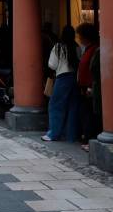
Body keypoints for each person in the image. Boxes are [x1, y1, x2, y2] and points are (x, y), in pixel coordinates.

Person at [42, 25, 80, 142]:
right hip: (74, 78)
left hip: (62, 77)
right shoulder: (76, 47)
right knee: (72, 107)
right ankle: (71, 135)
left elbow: (52, 65)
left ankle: (54, 133)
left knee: (55, 106)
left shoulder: (58, 47)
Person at [76, 23, 100, 151]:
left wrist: (90, 86)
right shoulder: (88, 49)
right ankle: (88, 137)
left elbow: (94, 70)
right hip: (84, 87)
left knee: (90, 115)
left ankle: (91, 139)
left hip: (89, 88)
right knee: (86, 114)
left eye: (80, 36)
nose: (79, 39)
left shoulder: (94, 49)